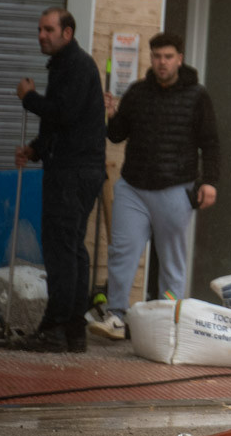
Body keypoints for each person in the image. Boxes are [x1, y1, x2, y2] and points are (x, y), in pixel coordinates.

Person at [88, 33, 220, 340]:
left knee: (172, 259)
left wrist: (209, 182)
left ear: (179, 59)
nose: (162, 62)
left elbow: (211, 143)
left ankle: (168, 324)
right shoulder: (137, 92)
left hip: (175, 187)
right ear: (152, 58)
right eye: (157, 56)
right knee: (122, 251)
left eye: (168, 56)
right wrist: (112, 115)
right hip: (133, 186)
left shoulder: (197, 96)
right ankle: (117, 316)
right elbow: (118, 136)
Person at [11, 7, 106, 353]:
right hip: (76, 169)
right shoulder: (66, 66)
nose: (42, 35)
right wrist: (36, 150)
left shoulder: (76, 65)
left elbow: (63, 114)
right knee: (72, 250)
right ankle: (73, 331)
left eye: (49, 29)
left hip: (73, 173)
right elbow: (63, 123)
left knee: (61, 251)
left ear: (67, 33)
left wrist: (29, 98)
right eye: (39, 29)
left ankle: (55, 329)